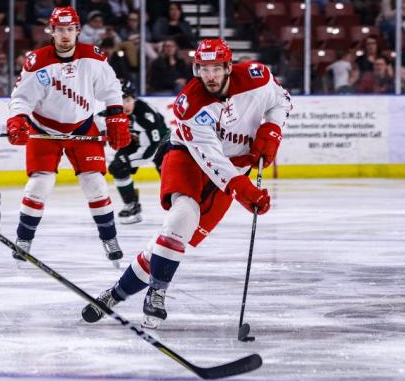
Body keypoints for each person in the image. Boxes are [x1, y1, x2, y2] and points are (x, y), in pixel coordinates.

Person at [82, 39, 291, 329]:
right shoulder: (190, 105)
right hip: (188, 157)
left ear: (229, 67)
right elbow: (212, 160)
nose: (210, 76)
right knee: (184, 213)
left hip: (235, 168)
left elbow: (282, 101)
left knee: (173, 237)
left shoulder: (258, 78)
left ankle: (115, 294)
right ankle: (157, 293)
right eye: (203, 69)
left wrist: (273, 129)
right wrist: (242, 188)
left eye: (216, 68)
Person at [6, 6, 131, 266]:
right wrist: (18, 119)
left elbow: (111, 89)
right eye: (60, 29)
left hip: (82, 128)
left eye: (70, 29)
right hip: (44, 130)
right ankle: (24, 240)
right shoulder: (37, 61)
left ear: (78, 30)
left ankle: (109, 238)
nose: (65, 35)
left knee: (95, 184)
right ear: (51, 31)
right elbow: (21, 98)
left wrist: (116, 116)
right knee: (39, 185)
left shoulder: (94, 57)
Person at [98, 78, 170, 224]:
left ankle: (182, 209)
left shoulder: (144, 115)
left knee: (170, 180)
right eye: (120, 100)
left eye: (128, 99)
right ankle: (131, 206)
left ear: (134, 98)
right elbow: (94, 122)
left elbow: (151, 149)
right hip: (136, 142)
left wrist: (128, 160)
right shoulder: (111, 112)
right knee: (117, 168)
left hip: (161, 146)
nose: (125, 105)